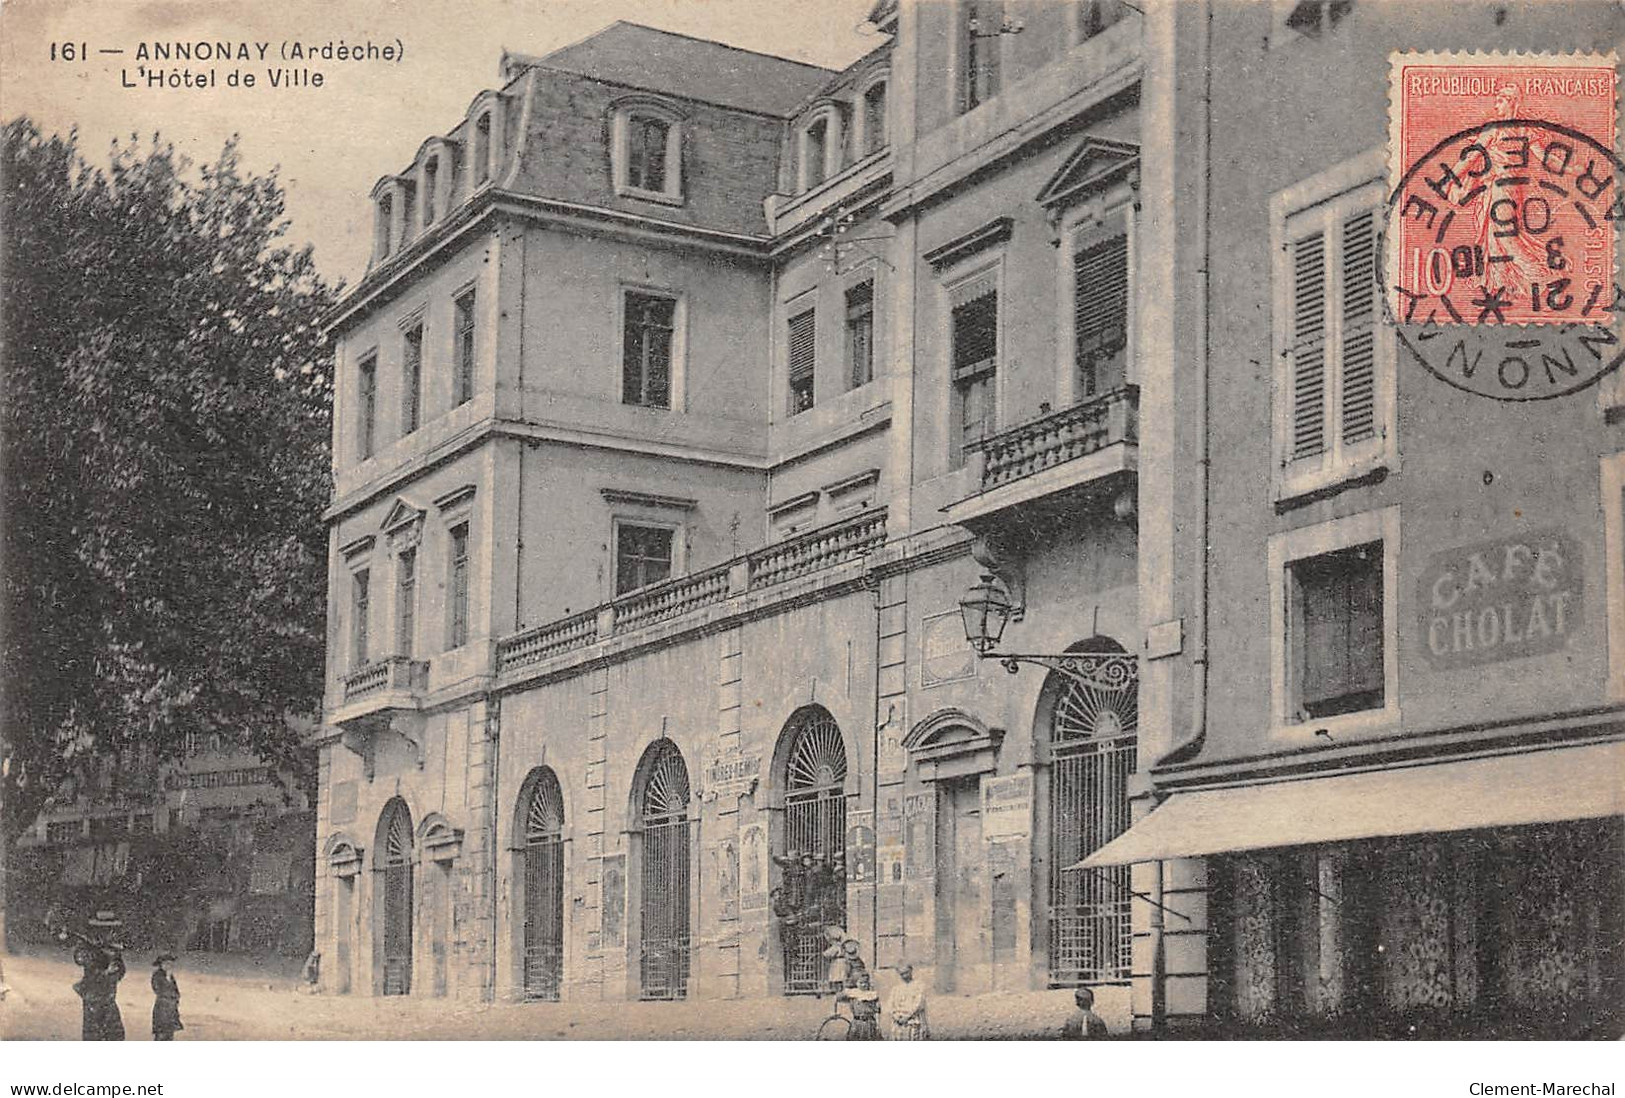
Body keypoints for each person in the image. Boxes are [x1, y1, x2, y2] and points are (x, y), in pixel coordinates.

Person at [73, 944, 127, 1041]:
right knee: (93, 1034)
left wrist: (110, 969)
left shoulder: (115, 958)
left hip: (107, 999)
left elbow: (119, 972)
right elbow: (79, 958)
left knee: (115, 1034)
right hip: (93, 1000)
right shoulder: (91, 954)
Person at [889, 963, 929, 1041]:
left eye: (906, 972)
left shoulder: (919, 986)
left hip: (912, 1020)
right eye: (902, 974)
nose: (904, 976)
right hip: (898, 1021)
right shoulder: (896, 988)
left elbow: (919, 1004)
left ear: (911, 971)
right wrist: (896, 1016)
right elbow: (891, 1004)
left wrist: (907, 1017)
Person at [150, 955, 183, 1040]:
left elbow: (175, 990)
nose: (168, 966)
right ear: (161, 964)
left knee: (170, 1033)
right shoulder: (157, 975)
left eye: (170, 964)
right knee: (161, 1033)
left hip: (171, 1008)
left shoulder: (170, 976)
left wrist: (176, 998)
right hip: (162, 1007)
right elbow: (157, 989)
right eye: (166, 964)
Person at [846, 972, 882, 1041]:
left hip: (869, 1023)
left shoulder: (872, 995)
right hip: (857, 1023)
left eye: (866, 982)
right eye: (861, 983)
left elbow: (877, 1011)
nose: (864, 985)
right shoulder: (854, 994)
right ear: (856, 983)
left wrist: (878, 1025)